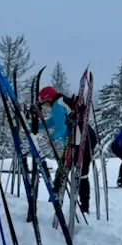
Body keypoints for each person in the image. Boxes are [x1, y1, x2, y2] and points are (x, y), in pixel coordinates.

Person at [37, 86, 98, 215]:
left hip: (80, 139)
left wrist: (52, 137)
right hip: (83, 137)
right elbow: (50, 122)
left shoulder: (57, 105)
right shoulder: (62, 102)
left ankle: (62, 201)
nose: (46, 107)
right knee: (74, 170)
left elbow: (61, 128)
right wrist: (32, 125)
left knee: (71, 170)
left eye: (45, 104)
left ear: (48, 99)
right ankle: (83, 205)